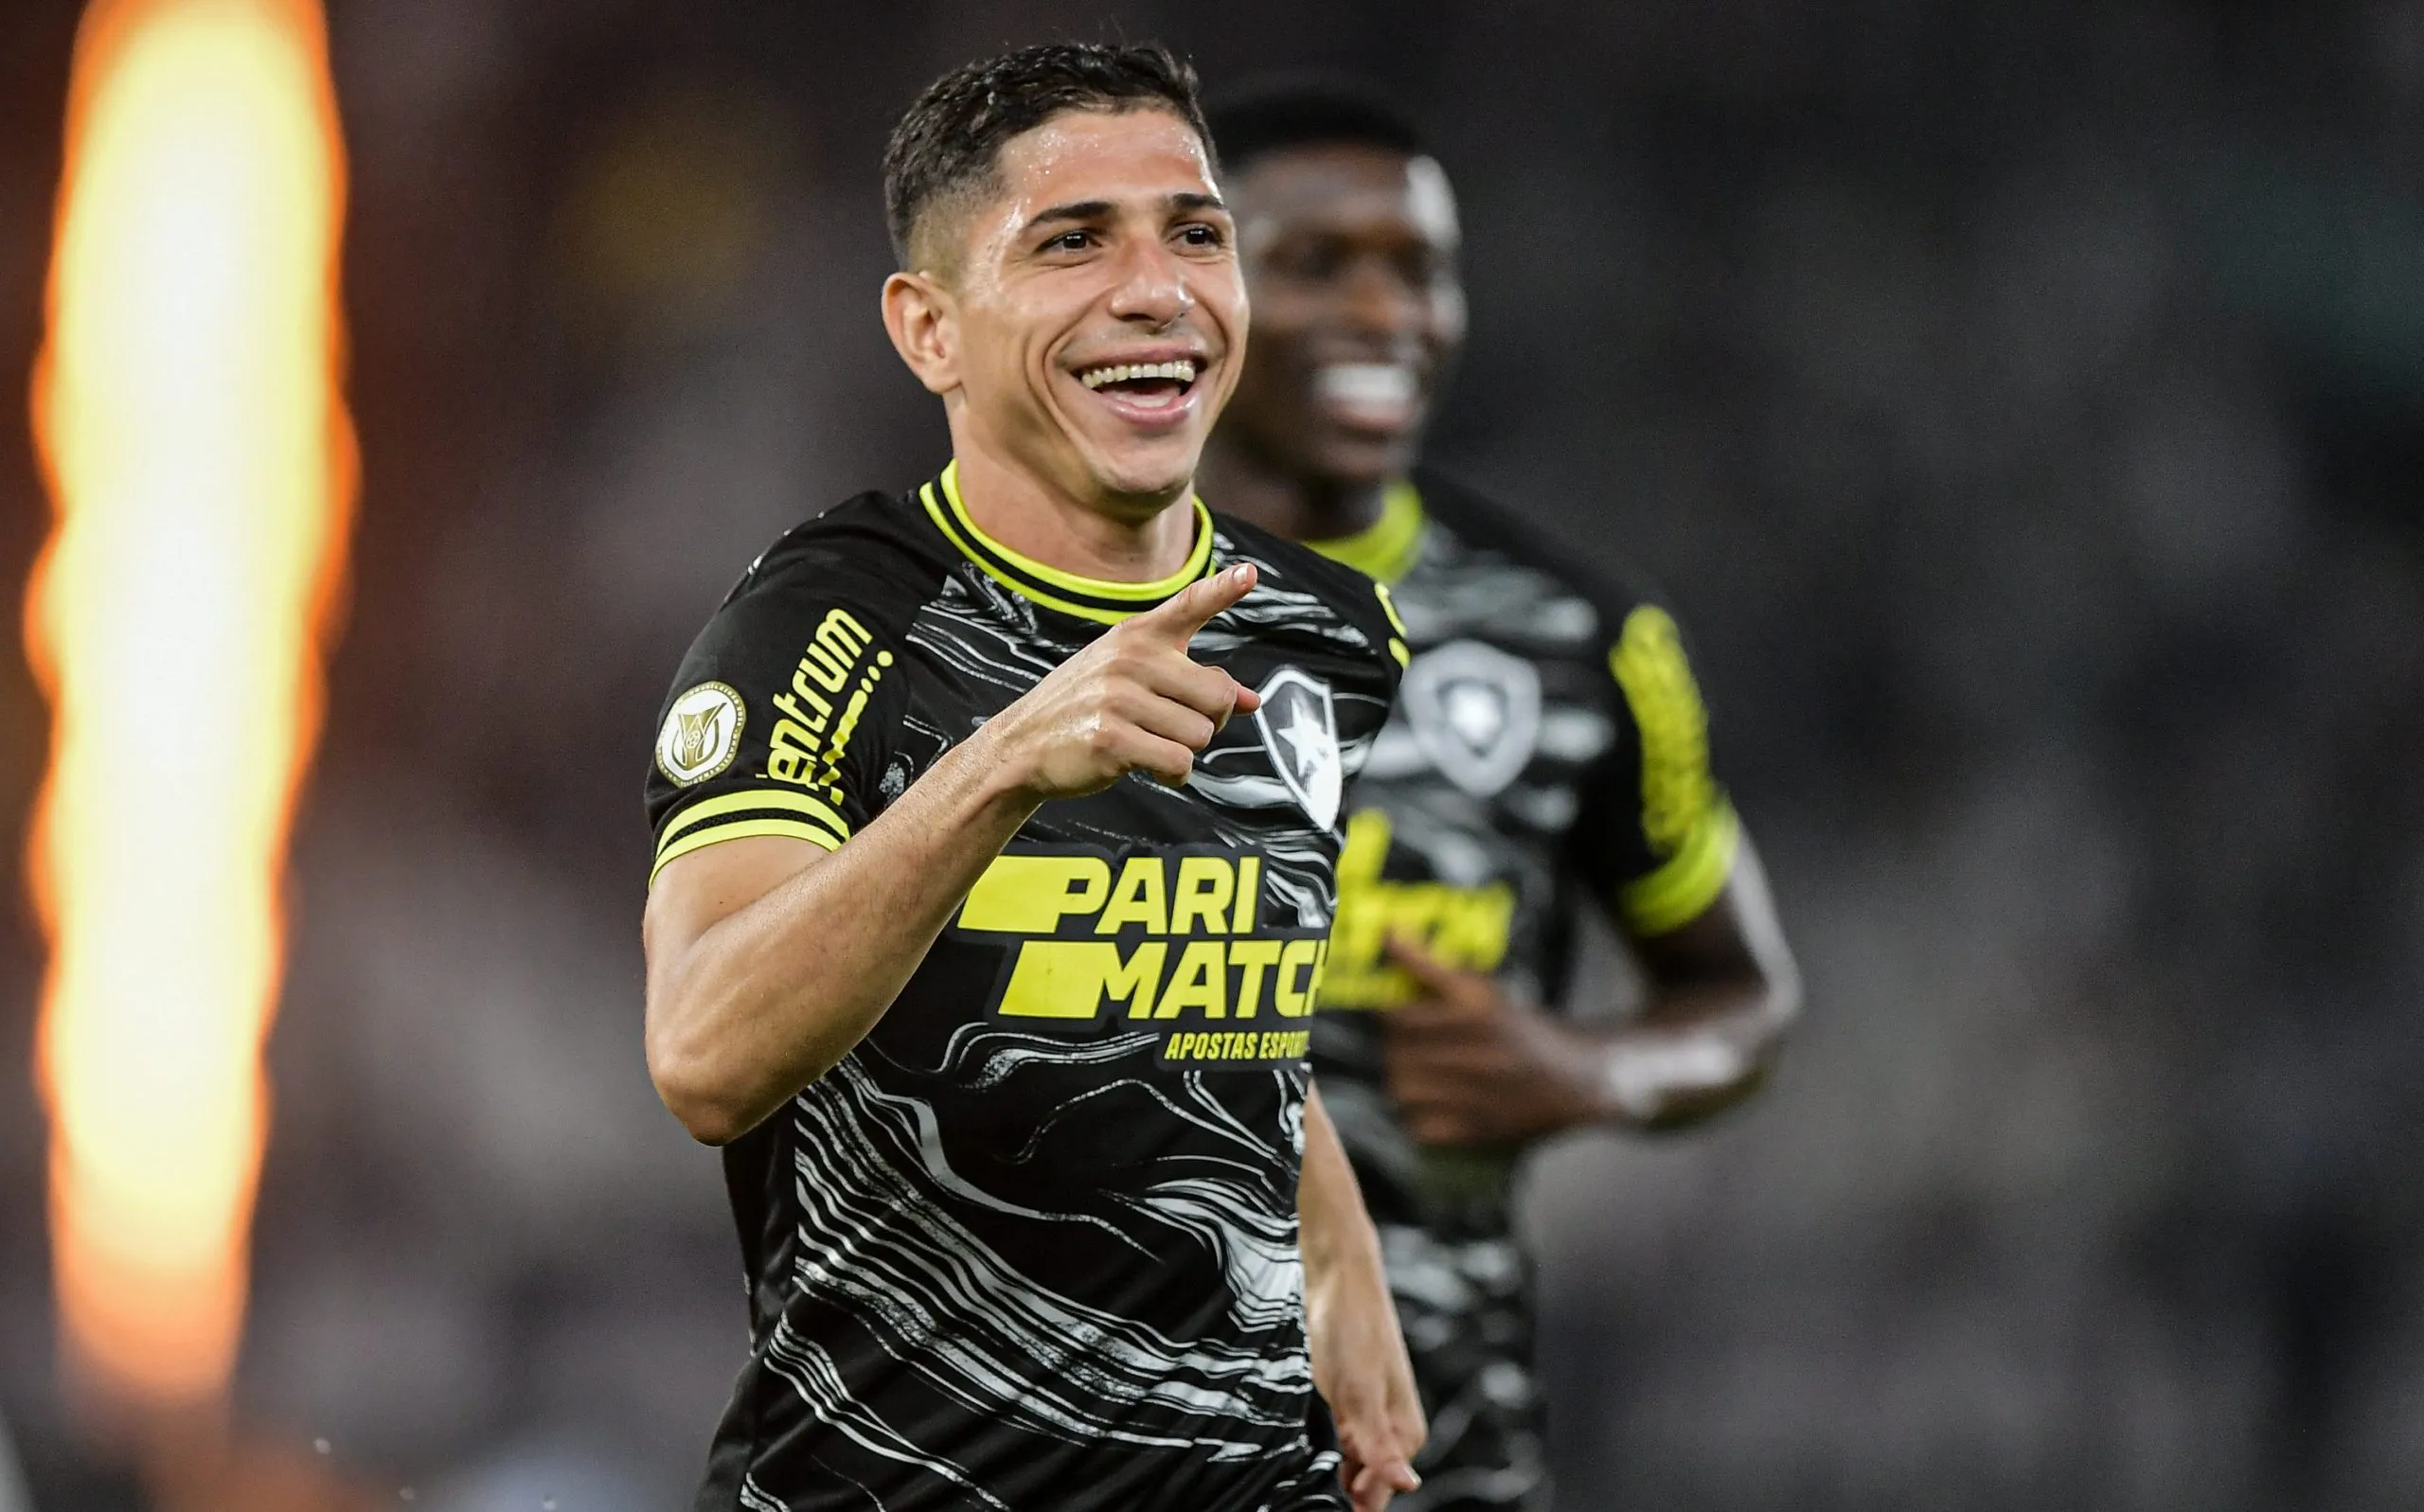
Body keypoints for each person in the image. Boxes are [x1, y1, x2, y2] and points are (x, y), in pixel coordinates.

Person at [641, 44, 1429, 1512]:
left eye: (1195, 233)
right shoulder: (829, 627)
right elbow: (703, 1054)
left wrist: (1339, 1250)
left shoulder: (1333, 636)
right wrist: (1004, 760)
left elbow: (1216, 995)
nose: (1158, 290)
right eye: (1074, 242)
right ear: (930, 330)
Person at [1197, 79, 1803, 1511]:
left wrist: (1586, 1071)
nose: (1383, 314)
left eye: (1420, 270)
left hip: (1437, 1446)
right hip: (1089, 1436)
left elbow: (1744, 994)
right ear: (1197, 297)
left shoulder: (1578, 639)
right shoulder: (1029, 629)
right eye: (1316, 264)